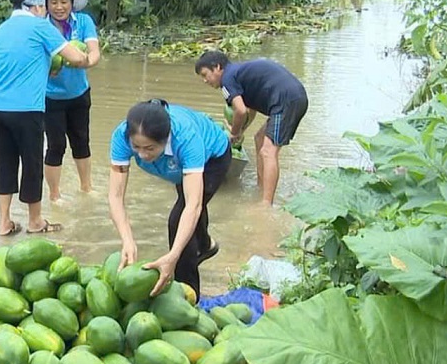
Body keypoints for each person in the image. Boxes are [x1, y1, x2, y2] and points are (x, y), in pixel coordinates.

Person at [0, 0, 89, 236]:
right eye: (44, 6)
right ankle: (35, 222)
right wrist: (86, 56)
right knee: (32, 164)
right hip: (27, 109)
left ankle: (4, 224)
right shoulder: (40, 26)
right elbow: (75, 58)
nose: (47, 11)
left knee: (5, 165)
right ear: (36, 6)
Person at [108, 99, 231, 298]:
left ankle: (188, 295)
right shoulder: (121, 136)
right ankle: (206, 246)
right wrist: (127, 241)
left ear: (166, 140)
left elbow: (193, 205)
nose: (142, 154)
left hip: (212, 159)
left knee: (179, 218)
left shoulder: (186, 139)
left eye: (149, 148)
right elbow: (115, 197)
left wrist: (173, 256)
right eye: (136, 147)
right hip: (178, 167)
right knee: (186, 206)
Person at [195, 50, 308, 206]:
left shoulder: (227, 79)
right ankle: (261, 188)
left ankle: (265, 204)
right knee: (259, 139)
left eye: (205, 74)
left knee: (268, 151)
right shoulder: (238, 74)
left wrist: (234, 134)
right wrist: (242, 130)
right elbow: (250, 110)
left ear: (217, 67)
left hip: (286, 100)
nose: (205, 81)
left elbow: (240, 111)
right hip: (292, 97)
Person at [42, 0, 102, 203]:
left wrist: (84, 61)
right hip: (50, 97)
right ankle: (55, 196)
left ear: (72, 1)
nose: (59, 7)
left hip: (79, 94)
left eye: (64, 2)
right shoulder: (41, 26)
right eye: (54, 2)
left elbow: (94, 51)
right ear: (46, 4)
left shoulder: (84, 21)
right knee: (56, 145)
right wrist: (49, 69)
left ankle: (86, 188)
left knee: (81, 141)